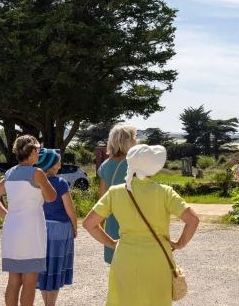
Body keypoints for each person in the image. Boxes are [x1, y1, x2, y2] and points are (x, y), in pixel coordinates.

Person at [83, 145, 200, 306]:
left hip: (125, 257)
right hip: (157, 258)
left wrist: (111, 243)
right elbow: (193, 220)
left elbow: (89, 223)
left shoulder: (115, 192)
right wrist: (179, 244)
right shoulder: (165, 192)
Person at [0, 135, 57, 306]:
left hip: (12, 229)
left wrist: (6, 214)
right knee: (29, 282)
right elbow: (51, 197)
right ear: (32, 151)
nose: (39, 154)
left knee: (13, 281)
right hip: (31, 231)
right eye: (38, 150)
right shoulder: (37, 173)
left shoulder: (10, 173)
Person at [35, 149, 77, 306]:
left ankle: (46, 302)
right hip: (60, 229)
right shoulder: (60, 183)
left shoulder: (35, 182)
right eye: (58, 161)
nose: (60, 163)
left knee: (44, 267)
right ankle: (50, 304)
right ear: (52, 166)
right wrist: (75, 227)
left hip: (40, 227)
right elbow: (70, 209)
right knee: (56, 266)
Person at [95, 124, 137, 264]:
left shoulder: (105, 165)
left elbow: (102, 198)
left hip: (113, 220)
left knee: (117, 266)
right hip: (134, 217)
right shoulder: (135, 164)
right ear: (129, 141)